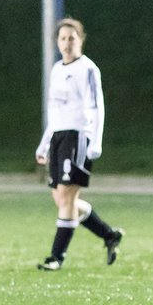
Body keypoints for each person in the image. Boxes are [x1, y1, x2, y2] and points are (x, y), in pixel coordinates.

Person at [34, 17, 124, 270]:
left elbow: (97, 108)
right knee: (63, 200)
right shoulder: (57, 69)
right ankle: (108, 234)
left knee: (66, 197)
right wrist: (44, 144)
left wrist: (96, 141)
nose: (67, 43)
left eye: (71, 38)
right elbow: (54, 112)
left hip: (78, 136)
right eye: (62, 38)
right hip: (58, 137)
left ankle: (56, 258)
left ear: (80, 40)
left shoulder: (88, 69)